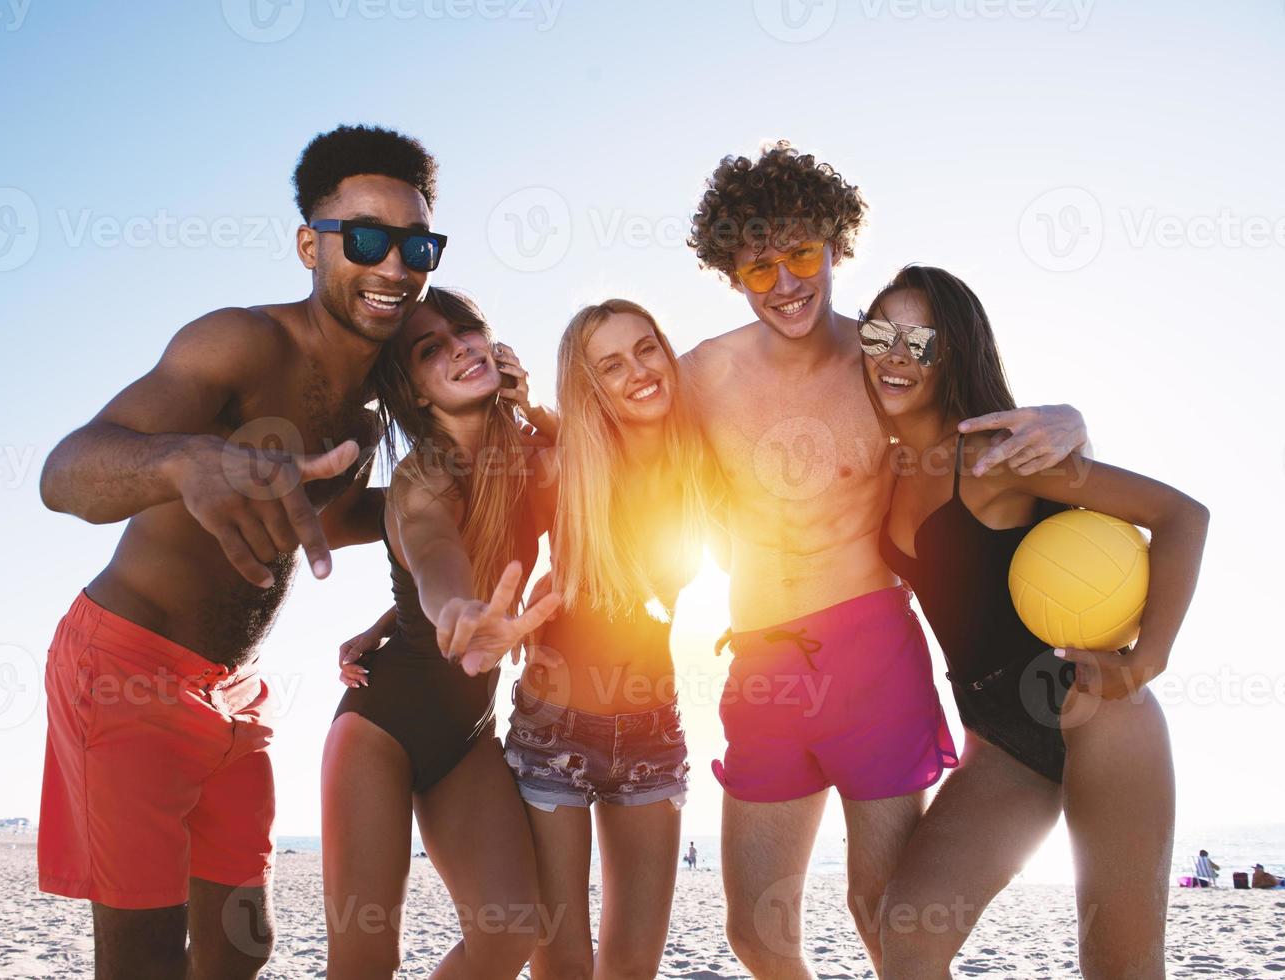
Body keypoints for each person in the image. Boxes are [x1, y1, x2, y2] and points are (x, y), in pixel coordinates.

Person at [34, 124, 440, 979]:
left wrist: (443, 495)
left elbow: (316, 521)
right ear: (310, 245)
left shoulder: (368, 412)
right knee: (142, 959)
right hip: (128, 666)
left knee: (241, 948)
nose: (395, 266)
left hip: (236, 692)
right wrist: (184, 459)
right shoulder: (239, 343)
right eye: (366, 239)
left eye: (417, 245)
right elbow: (64, 475)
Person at [681, 141, 1089, 976]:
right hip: (759, 663)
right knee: (755, 935)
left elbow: (986, 420)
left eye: (801, 253)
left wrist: (1072, 416)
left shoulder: (882, 367)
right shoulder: (699, 378)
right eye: (759, 267)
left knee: (884, 914)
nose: (785, 282)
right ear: (730, 273)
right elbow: (608, 451)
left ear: (835, 242)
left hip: (872, 652)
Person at [858, 266, 1208, 979]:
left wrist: (1147, 661)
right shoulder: (885, 464)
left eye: (918, 339)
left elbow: (1180, 516)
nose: (895, 353)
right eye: (878, 334)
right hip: (997, 742)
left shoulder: (995, 456)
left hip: (1097, 715)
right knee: (908, 938)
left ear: (953, 351)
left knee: (1118, 965)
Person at [322, 288, 562, 980]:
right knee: (366, 958)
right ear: (415, 395)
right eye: (431, 350)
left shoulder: (533, 457)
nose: (459, 347)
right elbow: (433, 552)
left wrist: (537, 409)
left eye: (467, 331)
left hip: (467, 733)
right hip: (379, 730)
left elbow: (613, 474)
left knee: (510, 931)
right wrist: (455, 608)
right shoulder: (419, 477)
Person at [503, 300, 710, 979]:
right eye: (610, 365)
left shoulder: (704, 456)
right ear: (589, 385)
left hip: (653, 735)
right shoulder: (561, 465)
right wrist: (390, 624)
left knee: (631, 970)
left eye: (646, 349)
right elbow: (468, 538)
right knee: (560, 963)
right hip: (552, 735)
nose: (638, 372)